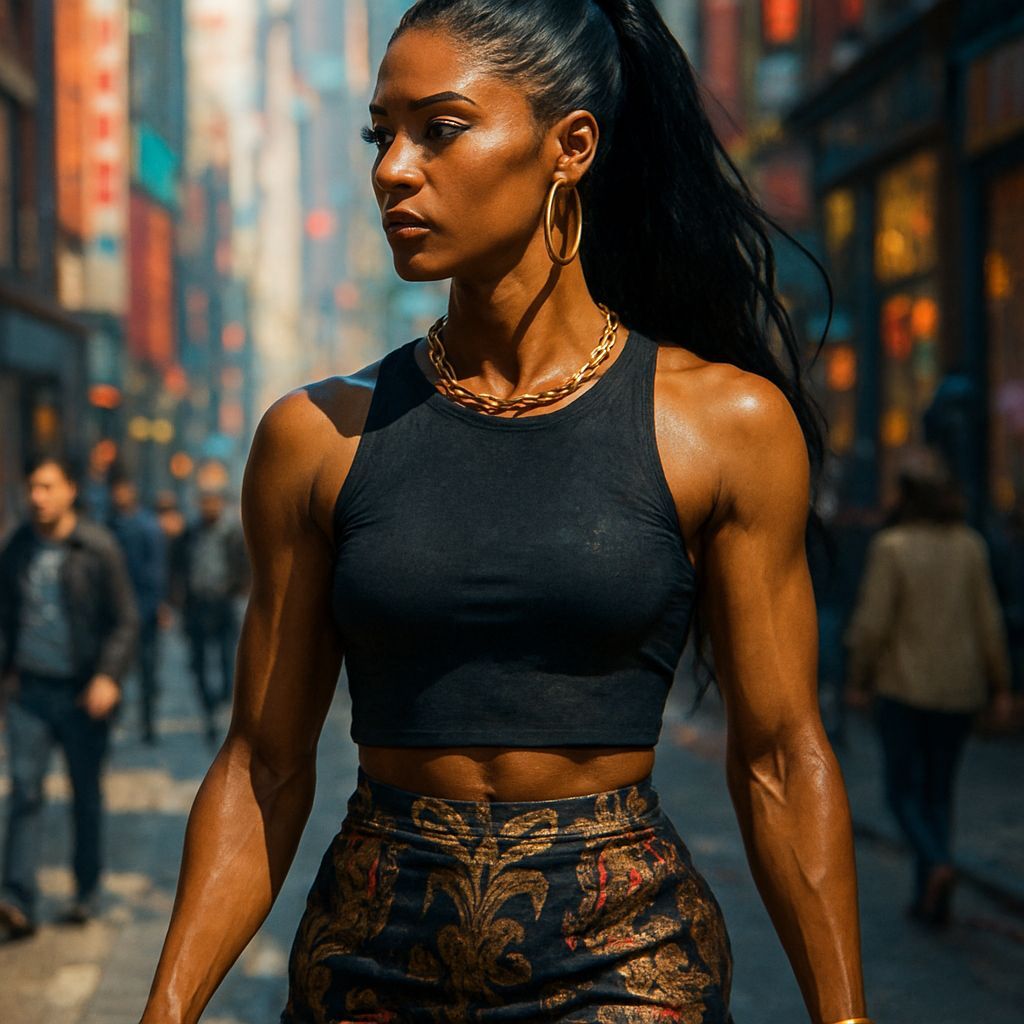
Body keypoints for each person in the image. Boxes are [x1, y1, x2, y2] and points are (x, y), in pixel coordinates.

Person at [140, 3, 869, 1022]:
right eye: (379, 134)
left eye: (438, 129)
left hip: (627, 964)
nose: (392, 169)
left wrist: (844, 1014)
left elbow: (782, 757)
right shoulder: (314, 437)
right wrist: (166, 1007)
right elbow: (262, 766)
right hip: (367, 963)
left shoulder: (725, 426)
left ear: (568, 146)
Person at [845, 453, 1013, 928]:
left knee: (902, 791)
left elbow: (873, 624)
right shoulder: (970, 546)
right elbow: (989, 622)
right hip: (959, 690)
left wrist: (858, 679)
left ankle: (935, 862)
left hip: (904, 687)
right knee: (939, 791)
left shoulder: (892, 547)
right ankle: (931, 899)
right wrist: (1000, 685)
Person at [0, 454, 138, 939]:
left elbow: (125, 620)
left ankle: (85, 889)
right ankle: (16, 899)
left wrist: (108, 677)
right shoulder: (17, 547)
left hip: (83, 695)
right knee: (24, 792)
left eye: (46, 487)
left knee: (85, 796)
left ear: (70, 490)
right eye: (30, 487)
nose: (36, 497)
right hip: (29, 693)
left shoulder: (98, 548)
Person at [168, 488, 249, 743]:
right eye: (205, 502)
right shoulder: (190, 533)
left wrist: (236, 588)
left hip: (223, 603)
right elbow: (176, 566)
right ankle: (208, 707)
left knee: (227, 659)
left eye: (213, 502)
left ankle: (223, 698)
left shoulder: (233, 533)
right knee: (199, 662)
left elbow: (245, 565)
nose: (209, 507)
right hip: (197, 606)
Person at [109, 475, 168, 744]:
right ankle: (113, 720)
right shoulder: (109, 526)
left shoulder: (147, 527)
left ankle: (148, 724)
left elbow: (155, 572)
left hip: (143, 612)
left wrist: (157, 606)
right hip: (116, 614)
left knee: (147, 672)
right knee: (115, 670)